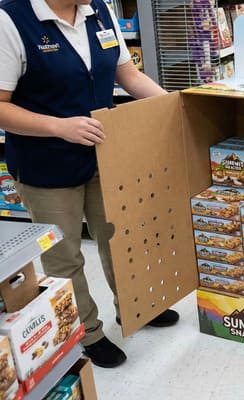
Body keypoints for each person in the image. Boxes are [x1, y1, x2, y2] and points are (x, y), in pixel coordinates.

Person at [0, 0, 179, 368]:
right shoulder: (11, 21)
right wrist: (58, 126)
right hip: (45, 166)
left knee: (120, 238)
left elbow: (127, 75)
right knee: (64, 256)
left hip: (103, 155)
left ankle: (135, 309)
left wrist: (173, 104)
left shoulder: (99, 10)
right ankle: (88, 334)